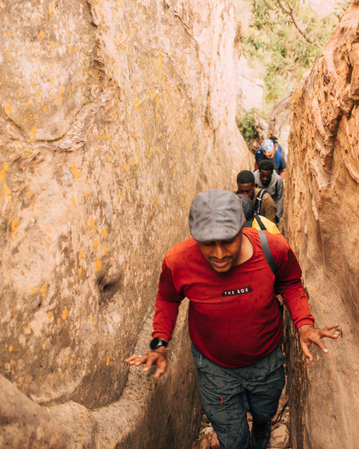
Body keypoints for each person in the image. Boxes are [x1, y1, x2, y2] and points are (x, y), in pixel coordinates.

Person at [125, 189, 340, 449]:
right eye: (207, 243)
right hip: (215, 369)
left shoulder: (273, 249)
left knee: (264, 412)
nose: (218, 253)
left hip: (267, 360)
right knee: (232, 439)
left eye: (228, 240)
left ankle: (262, 430)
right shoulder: (178, 261)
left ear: (242, 228)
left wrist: (304, 324)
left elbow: (291, 283)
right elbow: (168, 299)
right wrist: (159, 343)